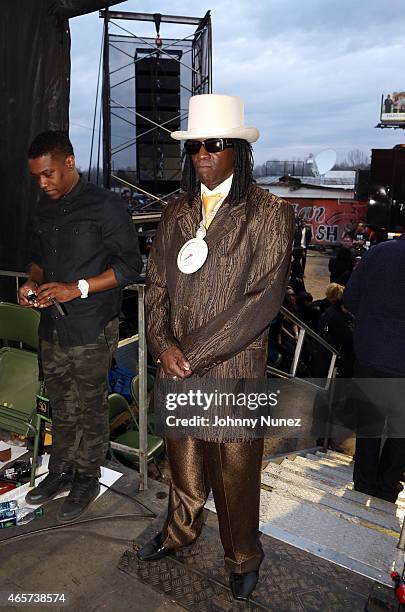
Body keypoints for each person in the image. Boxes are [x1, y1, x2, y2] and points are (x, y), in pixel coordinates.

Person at [138, 94, 294, 601]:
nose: (203, 154)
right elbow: (155, 284)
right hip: (176, 367)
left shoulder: (269, 213)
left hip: (230, 371)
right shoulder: (175, 210)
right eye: (195, 146)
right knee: (182, 465)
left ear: (238, 152)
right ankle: (178, 531)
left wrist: (193, 355)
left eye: (215, 144)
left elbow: (262, 302)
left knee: (235, 476)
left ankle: (242, 555)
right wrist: (162, 345)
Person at [19, 131, 142, 521]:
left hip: (90, 326)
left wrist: (78, 288)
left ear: (69, 162)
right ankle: (61, 471)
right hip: (51, 326)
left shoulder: (106, 205)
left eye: (49, 174)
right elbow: (36, 257)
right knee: (60, 403)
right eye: (38, 176)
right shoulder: (43, 205)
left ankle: (87, 477)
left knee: (90, 406)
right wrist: (32, 282)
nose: (44, 183)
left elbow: (129, 267)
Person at [344, 236, 405, 502]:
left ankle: (364, 483)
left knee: (369, 424)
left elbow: (350, 299)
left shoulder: (378, 253)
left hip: (371, 352)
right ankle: (388, 486)